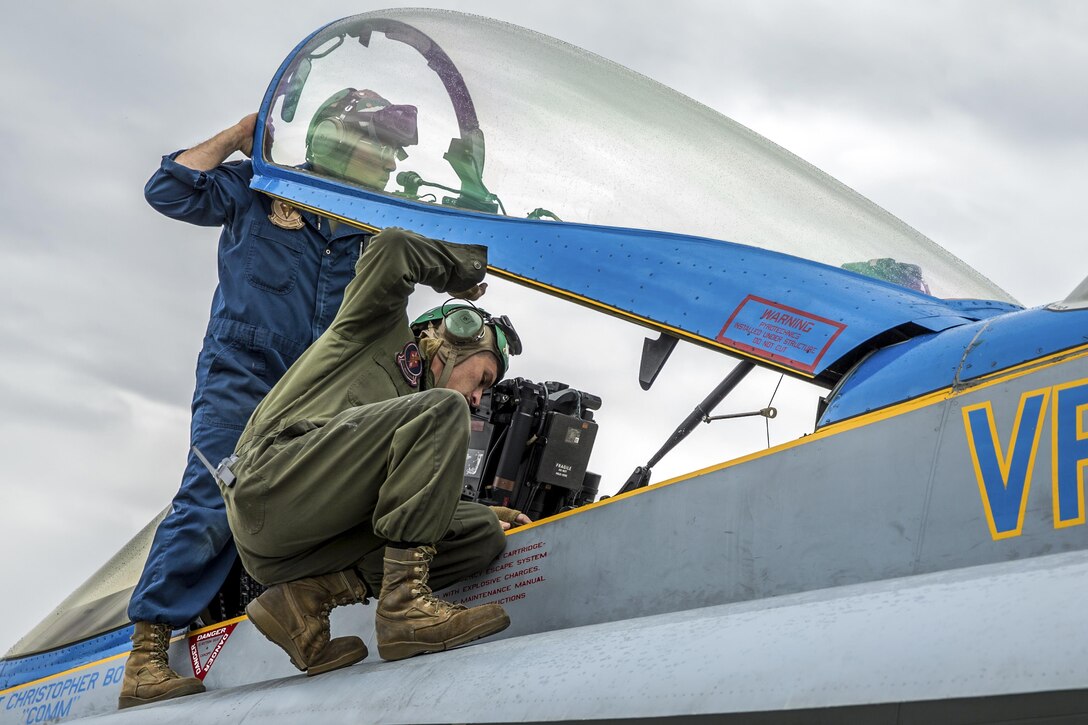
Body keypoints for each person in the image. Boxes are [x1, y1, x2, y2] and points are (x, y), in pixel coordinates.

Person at [119, 88, 418, 709]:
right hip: (242, 377)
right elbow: (168, 190)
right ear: (339, 136)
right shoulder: (259, 188)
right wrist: (238, 134)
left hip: (319, 390)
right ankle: (146, 657)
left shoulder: (379, 225)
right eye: (381, 145)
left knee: (322, 502)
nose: (391, 162)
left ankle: (305, 627)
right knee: (211, 503)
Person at [221, 226, 527, 675]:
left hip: (299, 544)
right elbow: (394, 248)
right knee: (442, 410)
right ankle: (404, 610)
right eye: (481, 379)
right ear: (452, 341)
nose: (479, 398)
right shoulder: (377, 329)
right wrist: (462, 272)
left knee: (480, 532)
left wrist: (453, 510)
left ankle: (304, 603)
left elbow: (386, 485)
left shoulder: (413, 423)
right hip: (269, 484)